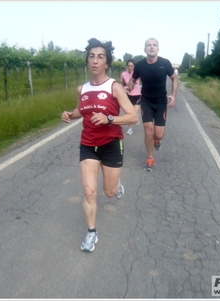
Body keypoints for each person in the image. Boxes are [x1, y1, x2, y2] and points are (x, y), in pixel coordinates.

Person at [62, 38, 138, 252]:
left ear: (107, 63)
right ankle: (91, 233)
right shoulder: (82, 89)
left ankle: (117, 185)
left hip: (112, 143)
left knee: (110, 193)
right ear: (87, 62)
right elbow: (80, 111)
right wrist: (70, 114)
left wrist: (109, 119)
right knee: (89, 192)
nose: (95, 60)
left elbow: (132, 117)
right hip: (88, 144)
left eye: (100, 57)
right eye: (91, 56)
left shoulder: (114, 87)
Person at [126, 38, 178, 172]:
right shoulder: (140, 65)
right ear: (145, 49)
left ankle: (157, 140)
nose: (151, 47)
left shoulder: (164, 63)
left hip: (161, 102)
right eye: (149, 45)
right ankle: (150, 158)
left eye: (154, 45)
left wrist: (173, 94)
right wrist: (129, 88)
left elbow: (174, 78)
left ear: (158, 49)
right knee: (148, 131)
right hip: (146, 102)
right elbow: (133, 80)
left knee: (158, 134)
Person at [120, 59, 141, 135]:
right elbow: (122, 84)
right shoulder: (123, 74)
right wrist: (123, 89)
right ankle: (130, 129)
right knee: (129, 114)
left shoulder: (137, 73)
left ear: (134, 67)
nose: (130, 67)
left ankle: (136, 117)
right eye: (128, 66)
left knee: (134, 114)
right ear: (126, 66)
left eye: (131, 66)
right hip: (128, 96)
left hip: (137, 95)